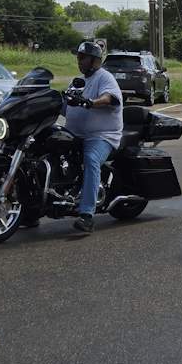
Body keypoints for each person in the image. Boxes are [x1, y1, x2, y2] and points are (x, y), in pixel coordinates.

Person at [64, 41, 124, 234]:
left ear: (95, 61)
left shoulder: (104, 78)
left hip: (102, 136)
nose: (79, 61)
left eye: (83, 57)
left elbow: (110, 98)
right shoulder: (77, 82)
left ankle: (87, 215)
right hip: (76, 135)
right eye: (78, 57)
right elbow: (65, 104)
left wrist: (91, 102)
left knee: (91, 159)